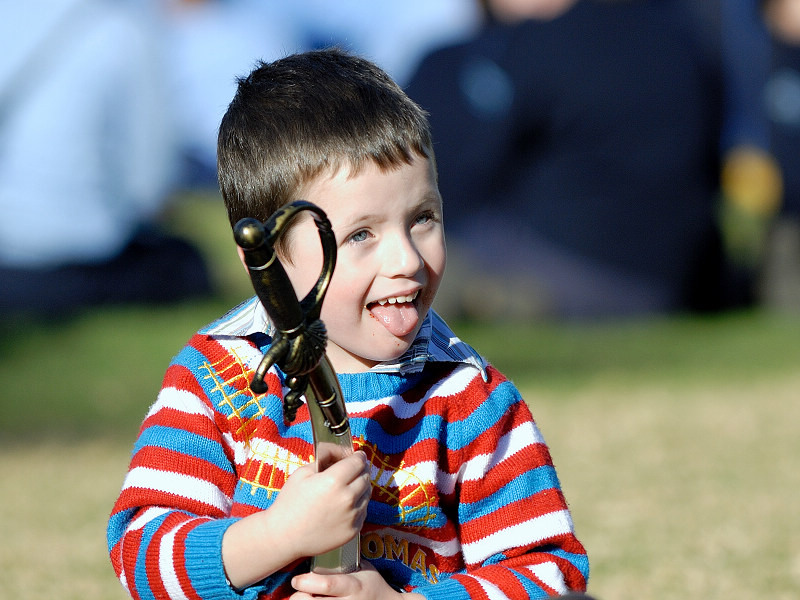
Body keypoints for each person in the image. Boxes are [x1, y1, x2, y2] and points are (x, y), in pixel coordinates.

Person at [107, 48, 589, 599]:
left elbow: (551, 573)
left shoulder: (469, 399)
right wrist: (275, 535)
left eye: (422, 218)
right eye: (360, 235)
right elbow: (141, 557)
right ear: (268, 266)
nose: (406, 259)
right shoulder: (215, 380)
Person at [406, 0, 740, 320]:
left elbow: (478, 161)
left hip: (573, 274)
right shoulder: (687, 37)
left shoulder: (550, 40)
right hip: (670, 283)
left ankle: (489, 297)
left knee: (427, 247)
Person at [0, 0, 212, 320]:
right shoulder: (126, 31)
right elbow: (148, 187)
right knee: (186, 263)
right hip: (75, 256)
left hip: (7, 249)